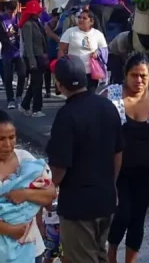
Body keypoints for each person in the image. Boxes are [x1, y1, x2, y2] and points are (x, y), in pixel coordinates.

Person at [46, 56, 123, 263]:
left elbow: (58, 169)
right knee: (100, 254)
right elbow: (118, 153)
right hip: (106, 200)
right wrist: (112, 184)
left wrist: (47, 189)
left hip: (78, 207)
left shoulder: (66, 115)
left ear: (59, 84)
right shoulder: (108, 107)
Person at [0, 110, 55, 263]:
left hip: (29, 245)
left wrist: (24, 194)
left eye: (11, 137)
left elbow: (50, 192)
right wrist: (10, 230)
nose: (7, 144)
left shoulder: (25, 160)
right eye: (1, 139)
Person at [101, 54, 149, 263]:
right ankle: (111, 255)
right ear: (125, 75)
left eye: (143, 76)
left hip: (146, 170)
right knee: (122, 214)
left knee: (138, 219)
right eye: (134, 75)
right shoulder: (112, 95)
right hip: (118, 171)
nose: (139, 80)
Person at [58, 10, 108, 92]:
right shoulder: (70, 32)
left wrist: (97, 53)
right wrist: (61, 67)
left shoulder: (98, 34)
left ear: (91, 21)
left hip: (91, 74)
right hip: (74, 72)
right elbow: (61, 50)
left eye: (84, 18)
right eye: (79, 17)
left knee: (90, 97)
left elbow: (104, 51)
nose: (80, 20)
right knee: (76, 96)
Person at [19, 0, 48, 118]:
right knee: (37, 83)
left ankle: (25, 105)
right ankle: (36, 108)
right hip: (33, 57)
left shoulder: (37, 22)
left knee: (36, 82)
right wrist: (31, 61)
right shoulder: (27, 25)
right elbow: (28, 44)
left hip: (39, 56)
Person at [0, 1, 26, 109]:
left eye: (13, 12)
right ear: (6, 9)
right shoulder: (1, 19)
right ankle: (10, 99)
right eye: (10, 12)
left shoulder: (19, 17)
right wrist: (6, 35)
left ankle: (19, 96)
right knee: (8, 77)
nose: (11, 14)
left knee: (22, 74)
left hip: (19, 51)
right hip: (7, 51)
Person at [44, 9, 63, 97]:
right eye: (55, 16)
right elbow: (50, 34)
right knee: (47, 70)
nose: (57, 19)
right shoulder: (47, 25)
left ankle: (58, 87)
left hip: (59, 50)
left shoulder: (62, 24)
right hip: (50, 49)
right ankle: (48, 90)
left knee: (58, 69)